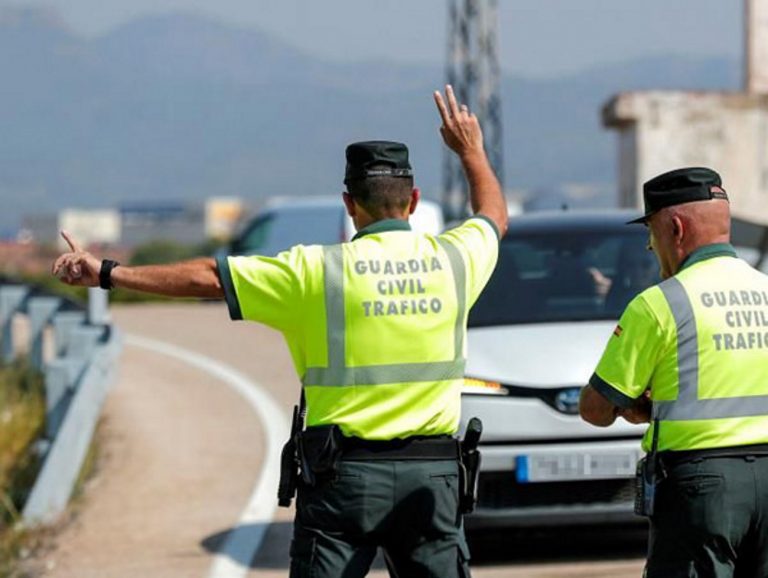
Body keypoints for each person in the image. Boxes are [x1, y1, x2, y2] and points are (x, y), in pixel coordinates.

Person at [52, 85, 507, 578]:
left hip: (344, 481)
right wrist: (471, 151)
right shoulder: (457, 260)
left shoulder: (314, 272)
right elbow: (493, 218)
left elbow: (209, 277)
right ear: (413, 200)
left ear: (348, 204)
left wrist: (106, 273)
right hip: (432, 479)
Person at [578, 167, 768, 578]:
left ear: (675, 228)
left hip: (702, 490)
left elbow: (596, 409)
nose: (650, 245)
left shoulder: (659, 305)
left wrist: (639, 406)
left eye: (651, 232)